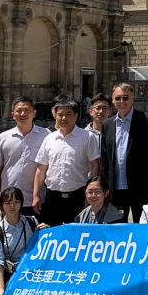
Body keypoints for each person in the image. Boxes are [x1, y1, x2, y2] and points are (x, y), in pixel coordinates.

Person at [33, 96, 100, 227]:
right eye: (60, 115)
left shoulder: (87, 137)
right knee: (52, 233)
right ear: (55, 116)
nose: (64, 118)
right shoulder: (49, 138)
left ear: (76, 116)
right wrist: (36, 195)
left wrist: (90, 193)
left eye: (68, 114)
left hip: (78, 196)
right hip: (53, 198)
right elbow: (41, 169)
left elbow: (95, 165)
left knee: (78, 234)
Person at [100, 83, 148, 222]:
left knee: (141, 226)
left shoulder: (146, 120)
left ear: (132, 98)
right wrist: (104, 187)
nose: (122, 101)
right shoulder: (107, 124)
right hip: (115, 189)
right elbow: (104, 159)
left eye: (125, 98)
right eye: (118, 98)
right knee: (117, 227)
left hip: (139, 187)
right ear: (113, 101)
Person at [0, 96, 48, 218]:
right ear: (13, 114)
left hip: (37, 201)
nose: (23, 114)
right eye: (19, 111)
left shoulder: (46, 135)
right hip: (9, 201)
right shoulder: (3, 138)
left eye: (27, 110)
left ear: (34, 113)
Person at [0, 186, 39, 295]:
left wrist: (45, 233)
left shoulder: (32, 222)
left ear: (21, 203)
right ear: (2, 206)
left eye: (16, 202)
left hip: (30, 271)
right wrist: (0, 288)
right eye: (7, 203)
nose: (12, 206)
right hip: (11, 273)